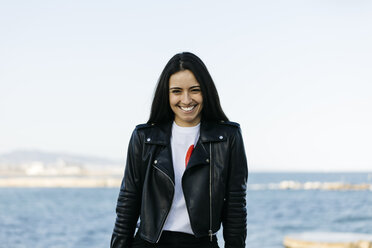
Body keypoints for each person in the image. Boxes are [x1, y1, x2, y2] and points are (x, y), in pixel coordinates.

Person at [111, 52, 248, 248]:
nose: (186, 100)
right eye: (176, 91)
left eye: (194, 90)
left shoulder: (228, 137)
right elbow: (127, 202)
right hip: (148, 243)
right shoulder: (144, 137)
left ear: (206, 91)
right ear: (166, 95)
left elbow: (235, 205)